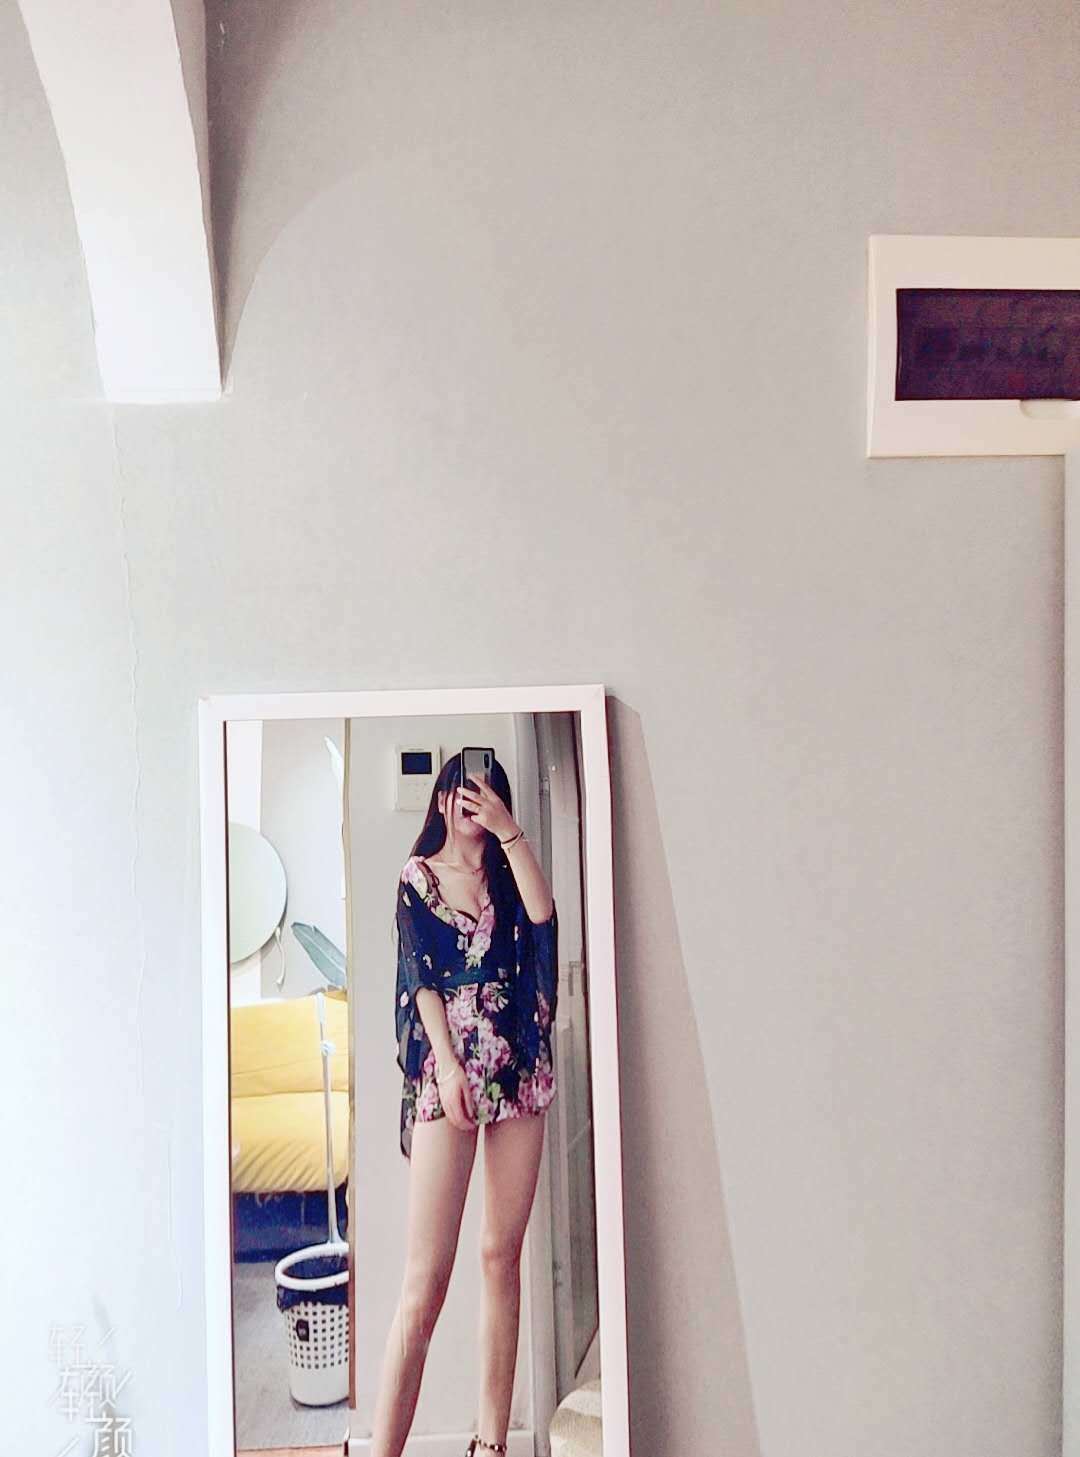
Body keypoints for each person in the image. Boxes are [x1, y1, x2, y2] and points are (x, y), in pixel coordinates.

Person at [370, 751, 559, 1457]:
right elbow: (420, 977)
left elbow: (544, 920)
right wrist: (447, 1067)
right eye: (458, 788)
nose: (469, 800)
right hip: (448, 1073)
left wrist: (510, 832)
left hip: (518, 1065)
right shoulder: (417, 877)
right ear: (441, 801)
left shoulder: (511, 873)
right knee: (424, 1283)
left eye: (482, 789)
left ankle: (490, 1444)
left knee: (500, 1254)